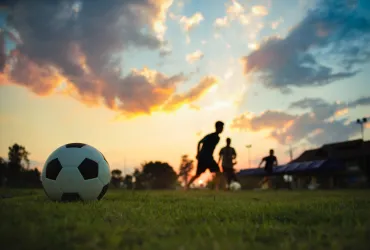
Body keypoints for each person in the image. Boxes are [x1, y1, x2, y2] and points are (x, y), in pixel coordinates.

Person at [186, 121, 224, 190]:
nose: (222, 129)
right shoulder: (210, 136)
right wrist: (198, 153)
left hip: (209, 157)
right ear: (217, 127)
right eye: (221, 127)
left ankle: (216, 188)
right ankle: (187, 186)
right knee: (198, 174)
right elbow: (200, 142)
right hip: (204, 157)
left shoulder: (218, 138)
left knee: (218, 172)